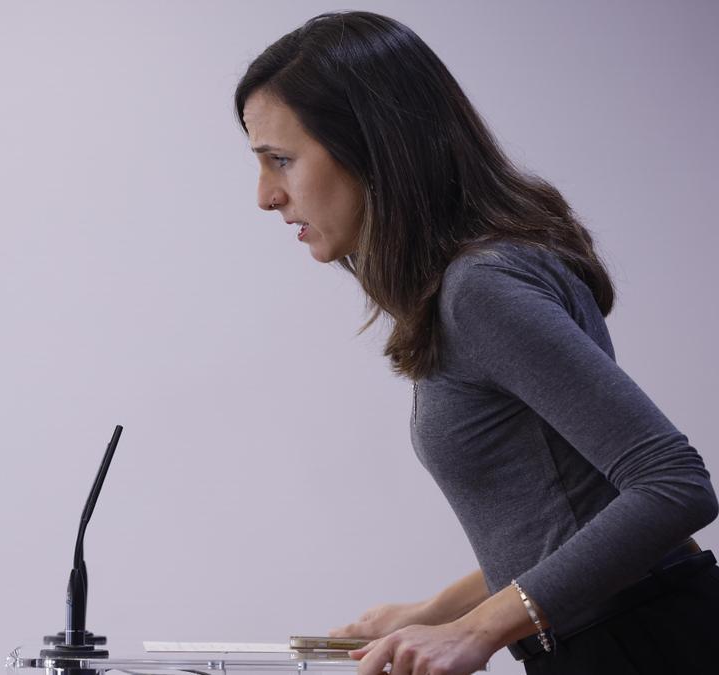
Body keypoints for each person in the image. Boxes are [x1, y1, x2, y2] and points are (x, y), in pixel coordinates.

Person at [234, 11, 719, 675]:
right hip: (626, 633)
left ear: (373, 147)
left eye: (281, 160)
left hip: (644, 641)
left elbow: (674, 483)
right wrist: (435, 611)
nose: (266, 195)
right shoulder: (476, 280)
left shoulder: (481, 288)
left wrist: (478, 630)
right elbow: (574, 510)